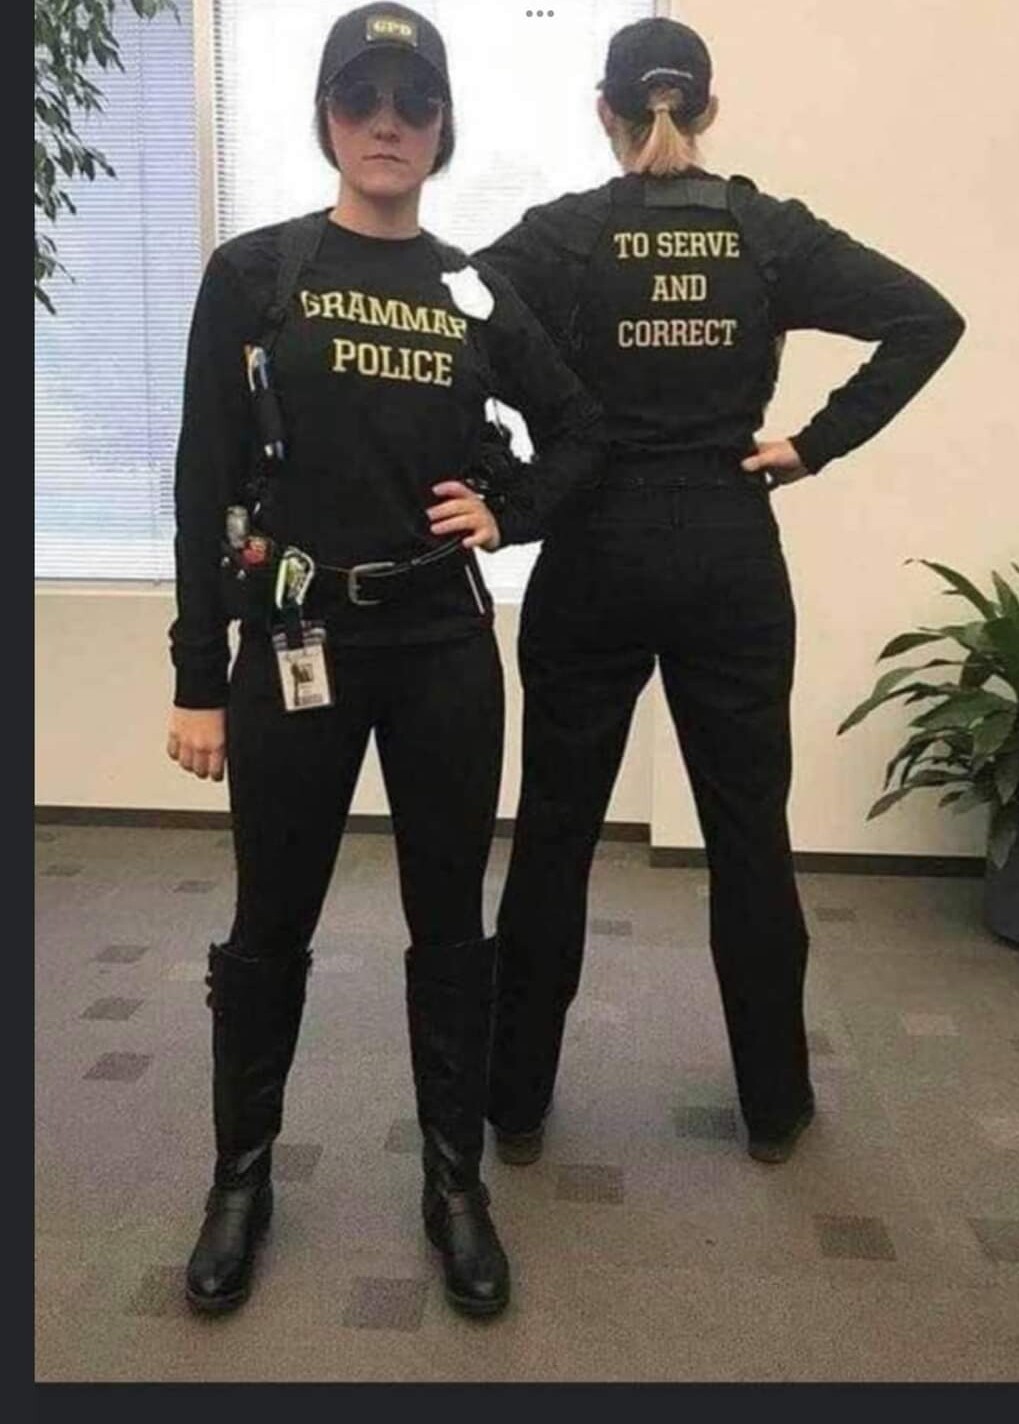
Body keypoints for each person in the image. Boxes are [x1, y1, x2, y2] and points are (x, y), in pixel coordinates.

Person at [165, 2, 602, 1319]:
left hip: (439, 651)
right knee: (269, 924)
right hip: (296, 638)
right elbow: (202, 481)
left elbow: (579, 432)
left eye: (413, 105)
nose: (386, 124)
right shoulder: (255, 274)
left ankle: (453, 1186)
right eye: (361, 100)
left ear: (441, 127)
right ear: (326, 118)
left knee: (448, 926)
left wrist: (507, 510)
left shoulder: (473, 288)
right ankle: (240, 1180)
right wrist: (197, 676)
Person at [477, 16, 964, 1169]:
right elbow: (925, 319)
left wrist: (528, 476)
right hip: (728, 552)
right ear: (707, 111)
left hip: (593, 551)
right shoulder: (765, 231)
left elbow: (452, 330)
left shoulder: (559, 236)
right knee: (748, 834)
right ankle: (773, 1105)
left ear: (604, 113)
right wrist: (809, 445)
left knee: (554, 829)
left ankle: (513, 1099)